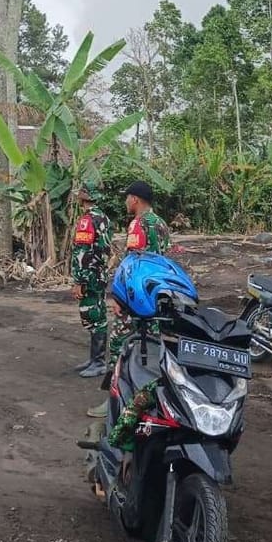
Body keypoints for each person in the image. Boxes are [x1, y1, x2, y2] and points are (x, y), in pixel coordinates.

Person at [85, 180, 171, 420]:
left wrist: (120, 297)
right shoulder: (161, 224)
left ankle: (114, 402)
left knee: (119, 347)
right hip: (156, 297)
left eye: (127, 198)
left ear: (135, 199)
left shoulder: (139, 224)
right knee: (150, 349)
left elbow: (133, 263)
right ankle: (146, 401)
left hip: (136, 299)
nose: (125, 202)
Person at [71, 182, 114, 379]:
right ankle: (94, 359)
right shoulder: (103, 217)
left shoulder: (87, 221)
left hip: (89, 275)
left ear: (83, 197)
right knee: (98, 313)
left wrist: (79, 280)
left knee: (93, 316)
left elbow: (83, 251)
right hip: (100, 273)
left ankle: (97, 362)